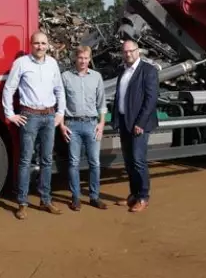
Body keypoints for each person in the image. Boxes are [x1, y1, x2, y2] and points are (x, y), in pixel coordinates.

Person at [2, 30, 65, 220]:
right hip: (29, 116)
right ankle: (22, 203)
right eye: (37, 43)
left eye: (43, 43)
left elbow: (59, 89)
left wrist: (60, 113)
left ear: (47, 45)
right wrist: (10, 114)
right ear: (31, 45)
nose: (40, 47)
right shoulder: (21, 63)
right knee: (25, 160)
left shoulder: (53, 63)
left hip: (49, 116)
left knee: (46, 160)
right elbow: (9, 88)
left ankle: (45, 200)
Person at [111, 39, 159, 213]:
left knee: (139, 161)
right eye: (125, 52)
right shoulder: (122, 71)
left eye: (131, 51)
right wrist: (116, 119)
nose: (128, 54)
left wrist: (140, 123)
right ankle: (133, 194)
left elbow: (151, 99)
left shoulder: (148, 71)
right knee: (129, 161)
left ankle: (143, 197)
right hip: (124, 121)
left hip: (139, 124)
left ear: (138, 51)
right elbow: (119, 97)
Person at [59, 45, 108, 211]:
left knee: (95, 162)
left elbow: (102, 103)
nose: (83, 61)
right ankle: (75, 198)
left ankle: (94, 197)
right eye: (80, 58)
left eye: (86, 58)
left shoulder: (96, 77)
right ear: (75, 58)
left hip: (92, 124)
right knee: (73, 162)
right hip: (72, 125)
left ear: (90, 58)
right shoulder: (65, 77)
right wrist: (62, 125)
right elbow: (61, 103)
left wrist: (101, 124)